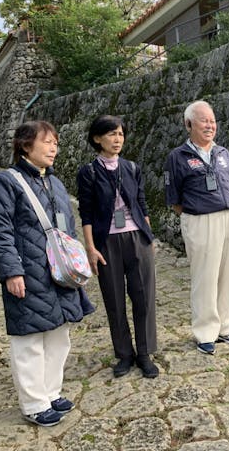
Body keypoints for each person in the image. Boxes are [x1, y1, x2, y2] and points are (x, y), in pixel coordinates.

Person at [0, 120, 95, 427]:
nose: (53, 148)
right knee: (29, 338)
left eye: (56, 143)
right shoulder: (5, 182)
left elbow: (68, 229)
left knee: (60, 334)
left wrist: (76, 265)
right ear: (25, 145)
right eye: (47, 142)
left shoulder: (55, 183)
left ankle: (50, 391)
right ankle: (34, 403)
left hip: (60, 273)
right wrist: (11, 272)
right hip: (29, 272)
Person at [76, 115, 159, 378]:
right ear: (97, 138)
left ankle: (144, 353)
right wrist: (91, 248)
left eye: (121, 134)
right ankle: (124, 354)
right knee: (114, 300)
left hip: (137, 238)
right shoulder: (88, 172)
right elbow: (86, 213)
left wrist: (149, 237)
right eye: (111, 134)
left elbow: (142, 204)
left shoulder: (132, 168)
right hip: (107, 242)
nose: (117, 139)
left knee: (143, 297)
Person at [164, 100, 229, 355]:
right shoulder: (177, 157)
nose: (210, 125)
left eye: (212, 121)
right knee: (205, 277)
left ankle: (227, 328)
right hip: (200, 219)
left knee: (228, 275)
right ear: (189, 124)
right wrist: (194, 215)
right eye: (203, 120)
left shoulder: (223, 153)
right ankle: (205, 331)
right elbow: (173, 198)